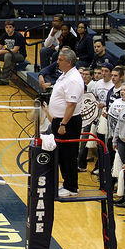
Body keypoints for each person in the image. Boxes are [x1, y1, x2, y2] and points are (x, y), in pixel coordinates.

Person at [48, 49, 84, 197]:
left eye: (61, 60)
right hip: (60, 121)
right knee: (62, 154)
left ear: (69, 62)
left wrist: (63, 124)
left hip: (68, 123)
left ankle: (71, 187)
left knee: (68, 154)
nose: (57, 62)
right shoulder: (65, 75)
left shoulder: (73, 79)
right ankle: (67, 183)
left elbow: (71, 105)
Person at [0, 20, 27, 86]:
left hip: (19, 55)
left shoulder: (18, 36)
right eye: (6, 27)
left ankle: (5, 79)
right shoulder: (5, 35)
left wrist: (2, 51)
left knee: (8, 56)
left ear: (13, 28)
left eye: (10, 27)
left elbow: (15, 50)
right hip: (9, 53)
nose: (8, 29)